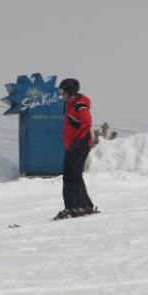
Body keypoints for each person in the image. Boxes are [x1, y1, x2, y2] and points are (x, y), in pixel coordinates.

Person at [54, 78, 97, 220]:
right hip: (71, 145)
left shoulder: (79, 104)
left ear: (70, 90)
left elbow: (86, 122)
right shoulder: (71, 104)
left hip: (80, 145)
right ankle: (73, 207)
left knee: (75, 175)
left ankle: (81, 206)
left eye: (62, 91)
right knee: (68, 176)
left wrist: (78, 140)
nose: (61, 94)